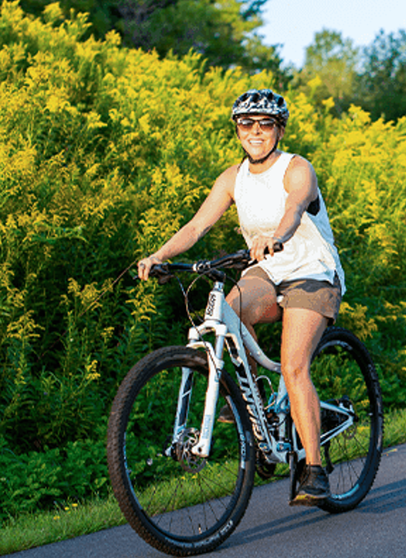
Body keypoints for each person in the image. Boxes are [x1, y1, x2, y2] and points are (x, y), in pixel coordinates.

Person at [137, 88, 346, 505]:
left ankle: (314, 468)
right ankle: (257, 418)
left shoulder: (296, 168)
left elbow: (294, 208)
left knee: (292, 365)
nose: (255, 131)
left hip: (311, 272)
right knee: (226, 312)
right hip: (267, 271)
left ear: (279, 130)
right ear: (236, 130)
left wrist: (276, 236)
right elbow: (198, 227)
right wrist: (159, 255)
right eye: (245, 124)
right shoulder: (233, 177)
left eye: (264, 124)